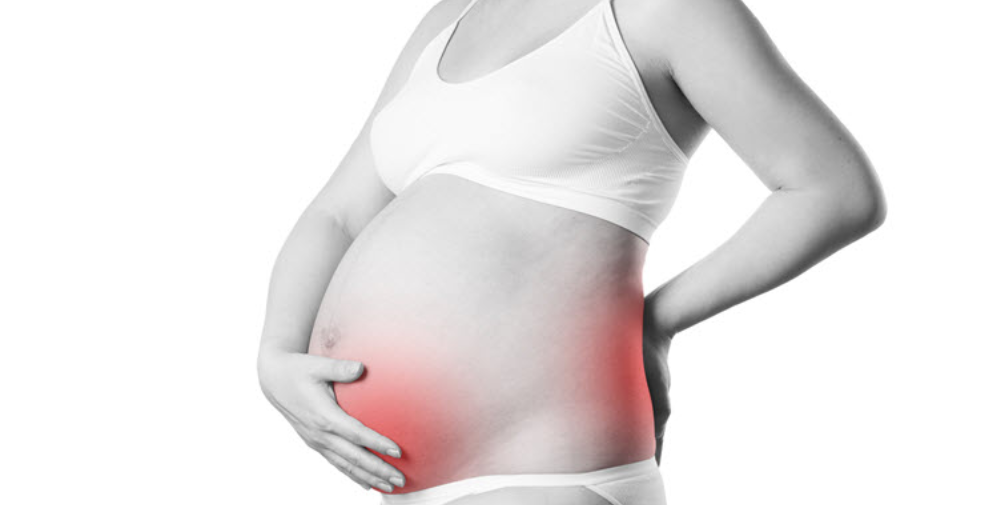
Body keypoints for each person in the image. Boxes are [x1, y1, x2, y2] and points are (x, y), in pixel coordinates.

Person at [256, 0, 887, 503]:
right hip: (405, 483)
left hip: (545, 469)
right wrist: (277, 353)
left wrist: (657, 321)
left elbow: (833, 190)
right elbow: (337, 213)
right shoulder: (449, 18)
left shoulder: (664, 9)